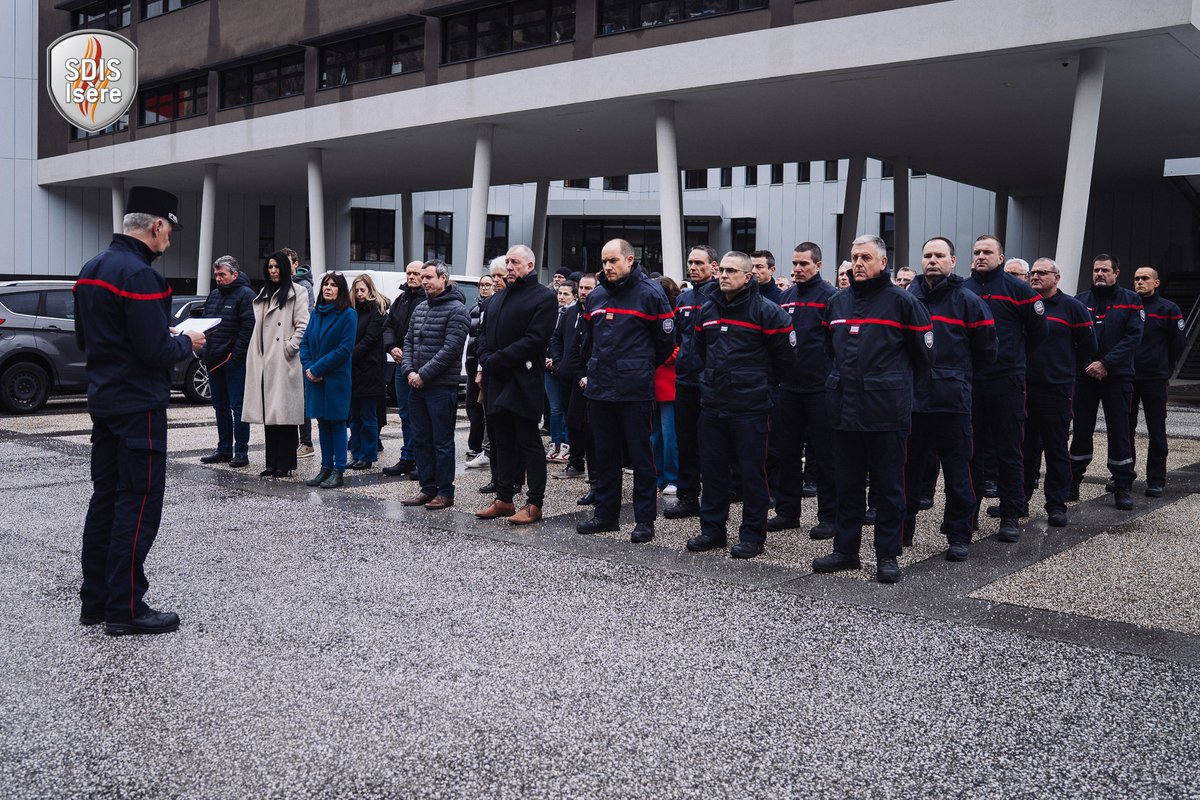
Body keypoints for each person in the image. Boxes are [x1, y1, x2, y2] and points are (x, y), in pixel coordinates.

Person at [75, 186, 203, 636]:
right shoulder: (141, 275)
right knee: (138, 502)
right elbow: (154, 351)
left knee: (106, 500)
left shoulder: (92, 268)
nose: (169, 238)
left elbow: (87, 338)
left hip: (105, 399)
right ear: (157, 226)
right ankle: (125, 607)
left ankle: (95, 601)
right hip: (138, 405)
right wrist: (187, 342)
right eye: (169, 230)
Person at [812, 235, 932, 584]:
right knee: (847, 484)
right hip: (845, 410)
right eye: (854, 257)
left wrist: (892, 385)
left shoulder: (903, 302)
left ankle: (887, 555)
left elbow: (923, 356)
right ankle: (846, 550)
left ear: (883, 262)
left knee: (888, 488)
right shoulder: (837, 303)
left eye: (865, 257)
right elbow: (830, 350)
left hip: (886, 411)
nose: (858, 264)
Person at [685, 252, 794, 559]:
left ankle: (752, 535)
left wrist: (762, 387)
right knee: (713, 472)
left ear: (748, 277)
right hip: (713, 405)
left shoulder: (767, 311)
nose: (724, 275)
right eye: (722, 270)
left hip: (751, 407)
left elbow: (785, 360)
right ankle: (712, 530)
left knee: (752, 474)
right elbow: (699, 353)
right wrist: (708, 381)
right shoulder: (707, 309)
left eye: (732, 271)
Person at [902, 237, 996, 561]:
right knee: (907, 472)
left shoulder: (968, 301)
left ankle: (958, 535)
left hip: (952, 402)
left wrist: (958, 378)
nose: (932, 260)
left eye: (940, 255)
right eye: (927, 255)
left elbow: (987, 350)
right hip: (912, 403)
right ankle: (902, 532)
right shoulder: (906, 299)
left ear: (953, 261)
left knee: (958, 472)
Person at [576, 238, 674, 543]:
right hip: (600, 389)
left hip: (634, 390)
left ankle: (644, 520)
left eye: (613, 260)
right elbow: (589, 339)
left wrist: (639, 367)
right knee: (606, 456)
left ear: (629, 260)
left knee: (641, 458)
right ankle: (606, 515)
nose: (607, 266)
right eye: (604, 261)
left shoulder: (650, 294)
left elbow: (665, 342)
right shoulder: (597, 295)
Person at [963, 234, 1046, 542]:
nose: (981, 256)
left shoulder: (1019, 290)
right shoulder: (963, 290)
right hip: (971, 382)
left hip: (1006, 381)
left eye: (987, 251)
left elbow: (1038, 332)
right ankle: (968, 515)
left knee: (1009, 450)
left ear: (1000, 257)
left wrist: (1013, 358)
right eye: (977, 252)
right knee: (971, 451)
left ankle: (1010, 514)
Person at [475, 245, 558, 524]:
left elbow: (535, 339)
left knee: (528, 441)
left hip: (523, 380)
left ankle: (534, 503)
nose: (509, 266)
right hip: (497, 379)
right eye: (507, 261)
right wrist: (486, 358)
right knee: (501, 441)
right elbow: (482, 334)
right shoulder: (496, 299)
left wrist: (497, 359)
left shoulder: (544, 298)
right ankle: (504, 498)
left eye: (515, 262)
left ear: (530, 265)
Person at [770, 242, 837, 539]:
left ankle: (830, 516)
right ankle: (787, 511)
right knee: (786, 452)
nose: (797, 269)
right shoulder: (785, 298)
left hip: (820, 388)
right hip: (788, 388)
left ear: (818, 265)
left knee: (825, 455)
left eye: (804, 264)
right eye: (795, 263)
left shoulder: (831, 297)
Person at [1023, 258, 1095, 527]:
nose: (1035, 277)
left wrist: (1065, 369)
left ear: (1057, 277)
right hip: (1024, 388)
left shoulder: (1072, 308)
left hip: (1056, 389)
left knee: (1055, 449)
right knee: (1024, 448)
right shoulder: (1025, 304)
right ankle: (1019, 501)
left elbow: (1088, 345)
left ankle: (1056, 505)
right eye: (1033, 273)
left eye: (1042, 273)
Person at [1069, 254, 1144, 510]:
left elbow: (1133, 338)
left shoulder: (1131, 300)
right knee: (1081, 429)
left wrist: (1106, 363)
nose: (1099, 274)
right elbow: (1073, 337)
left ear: (1116, 273)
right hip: (1085, 376)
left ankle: (1122, 486)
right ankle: (1073, 481)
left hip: (1117, 377)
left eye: (1105, 270)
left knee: (1119, 431)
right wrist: (1087, 364)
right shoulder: (1080, 301)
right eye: (1096, 270)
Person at [400, 260, 469, 510]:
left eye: (428, 277)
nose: (424, 282)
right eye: (423, 277)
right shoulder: (420, 308)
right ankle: (427, 488)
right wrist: (409, 371)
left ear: (443, 278)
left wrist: (423, 374)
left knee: (442, 442)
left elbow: (450, 350)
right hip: (417, 386)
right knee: (421, 439)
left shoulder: (457, 310)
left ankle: (445, 492)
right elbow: (408, 341)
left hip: (440, 387)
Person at [242, 251, 310, 478]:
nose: (273, 271)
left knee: (285, 414)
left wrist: (289, 348)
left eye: (276, 267)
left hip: (283, 360)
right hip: (264, 358)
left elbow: (303, 325)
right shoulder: (264, 292)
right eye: (269, 267)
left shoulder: (298, 292)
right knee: (269, 414)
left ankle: (285, 463)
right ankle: (271, 462)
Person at [663, 246, 719, 520]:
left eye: (699, 263)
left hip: (712, 382)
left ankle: (714, 497)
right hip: (685, 380)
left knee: (712, 444)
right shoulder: (683, 299)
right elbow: (675, 337)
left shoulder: (720, 296)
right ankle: (687, 497)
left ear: (714, 266)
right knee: (685, 441)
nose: (693, 267)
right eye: (690, 263)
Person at [1131, 266, 1186, 497]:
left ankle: (1155, 480)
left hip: (1154, 378)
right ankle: (1123, 476)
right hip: (1127, 377)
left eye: (1145, 278)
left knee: (1156, 430)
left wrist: (1165, 367)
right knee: (1124, 430)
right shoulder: (1128, 306)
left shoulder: (1168, 309)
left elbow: (1178, 343)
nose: (1139, 282)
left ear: (1156, 283)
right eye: (1136, 278)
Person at [300, 272, 357, 489]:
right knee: (322, 423)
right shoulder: (316, 313)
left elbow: (344, 349)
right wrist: (309, 368)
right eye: (326, 284)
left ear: (340, 290)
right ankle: (325, 467)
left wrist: (318, 368)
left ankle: (338, 470)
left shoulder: (348, 314)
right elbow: (305, 343)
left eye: (333, 285)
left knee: (337, 423)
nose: (328, 288)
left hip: (335, 379)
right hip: (315, 378)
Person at [198, 255, 255, 468]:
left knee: (237, 407)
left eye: (222, 274)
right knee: (219, 406)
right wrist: (204, 350)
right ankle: (223, 449)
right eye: (216, 274)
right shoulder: (214, 295)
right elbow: (206, 325)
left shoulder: (246, 295)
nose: (218, 278)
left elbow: (249, 327)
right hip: (213, 359)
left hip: (233, 361)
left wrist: (236, 355)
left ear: (234, 274)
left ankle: (241, 452)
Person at [380, 261, 426, 478]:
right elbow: (388, 325)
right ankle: (407, 457)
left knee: (420, 414)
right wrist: (391, 347)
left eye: (416, 273)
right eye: (409, 273)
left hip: (420, 364)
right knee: (405, 413)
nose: (411, 277)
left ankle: (421, 459)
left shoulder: (428, 299)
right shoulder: (401, 299)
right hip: (400, 363)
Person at [559, 273, 598, 488]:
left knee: (592, 428)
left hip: (595, 379)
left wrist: (589, 375)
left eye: (588, 288)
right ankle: (576, 462)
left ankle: (596, 477)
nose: (583, 292)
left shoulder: (599, 313)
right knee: (573, 422)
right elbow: (565, 343)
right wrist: (560, 363)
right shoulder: (572, 313)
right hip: (572, 376)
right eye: (581, 288)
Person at [347, 274, 388, 471]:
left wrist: (347, 356)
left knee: (368, 416)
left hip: (370, 369)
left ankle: (368, 455)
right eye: (356, 290)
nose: (359, 294)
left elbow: (370, 339)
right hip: (354, 370)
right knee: (354, 416)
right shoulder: (352, 311)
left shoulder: (377, 310)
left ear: (370, 290)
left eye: (362, 290)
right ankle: (356, 453)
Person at [283, 248, 317, 459]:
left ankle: (306, 442)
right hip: (284, 346)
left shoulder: (304, 286)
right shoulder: (281, 285)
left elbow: (307, 318)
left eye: (287, 262)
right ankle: (292, 442)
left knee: (301, 397)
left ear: (295, 264)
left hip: (298, 347)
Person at [651, 276, 681, 496]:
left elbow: (681, 347)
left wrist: (659, 357)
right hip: (651, 379)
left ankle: (672, 477)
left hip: (668, 380)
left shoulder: (676, 315)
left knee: (669, 435)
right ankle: (659, 476)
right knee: (655, 436)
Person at [543, 280, 576, 463]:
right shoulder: (552, 312)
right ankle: (555, 442)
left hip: (565, 366)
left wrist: (558, 361)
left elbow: (571, 343)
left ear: (574, 296)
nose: (561, 297)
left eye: (566, 294)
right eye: (560, 293)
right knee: (554, 408)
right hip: (549, 366)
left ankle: (567, 444)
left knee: (566, 408)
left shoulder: (574, 314)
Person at [464, 272, 495, 463]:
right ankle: (474, 446)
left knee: (485, 409)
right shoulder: (474, 308)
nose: (483, 288)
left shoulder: (493, 307)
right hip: (471, 364)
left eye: (487, 284)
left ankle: (486, 448)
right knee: (472, 407)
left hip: (483, 365)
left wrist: (481, 368)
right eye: (481, 285)